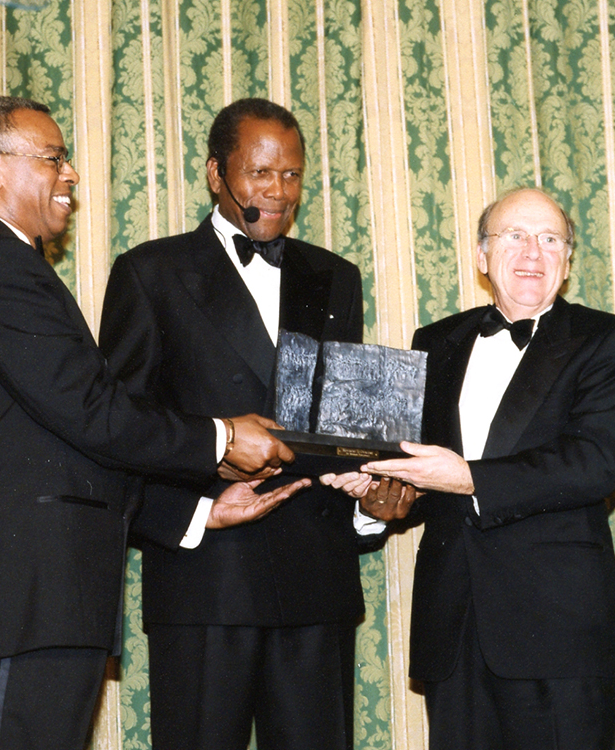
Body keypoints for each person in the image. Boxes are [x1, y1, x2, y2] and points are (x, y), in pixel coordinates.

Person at [0, 95, 306, 750]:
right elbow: (92, 410)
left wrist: (198, 513)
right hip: (21, 605)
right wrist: (221, 435)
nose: (70, 174)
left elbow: (61, 440)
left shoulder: (4, 264)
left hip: (33, 605)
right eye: (53, 158)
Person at [324, 187, 615, 750]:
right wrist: (376, 497)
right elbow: (417, 469)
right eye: (515, 236)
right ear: (481, 257)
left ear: (568, 261)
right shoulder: (435, 342)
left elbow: (596, 463)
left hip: (557, 633)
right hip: (452, 630)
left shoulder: (612, 340)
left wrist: (469, 478)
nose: (533, 251)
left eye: (551, 239)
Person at [98, 98, 366, 750]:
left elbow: (340, 427)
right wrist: (189, 517)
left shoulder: (335, 277)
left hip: (318, 584)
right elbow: (117, 426)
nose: (278, 191)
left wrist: (376, 493)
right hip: (205, 585)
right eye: (260, 173)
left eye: (293, 175)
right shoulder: (150, 272)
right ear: (217, 174)